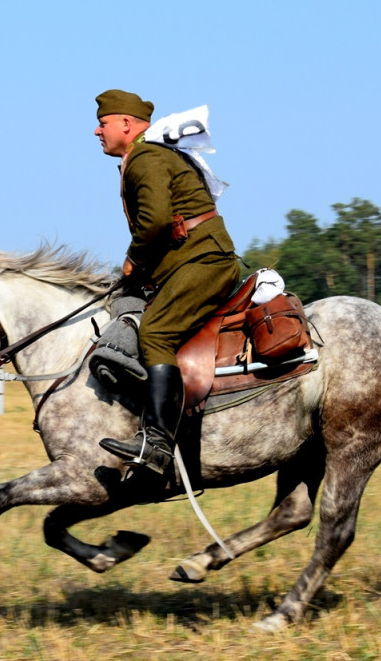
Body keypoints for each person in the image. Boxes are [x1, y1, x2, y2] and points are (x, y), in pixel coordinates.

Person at [93, 89, 241, 474]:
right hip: (191, 260)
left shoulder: (146, 158)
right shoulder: (147, 155)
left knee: (155, 334)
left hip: (203, 261)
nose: (97, 131)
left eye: (103, 123)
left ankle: (157, 443)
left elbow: (157, 221)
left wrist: (133, 261)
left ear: (126, 124)